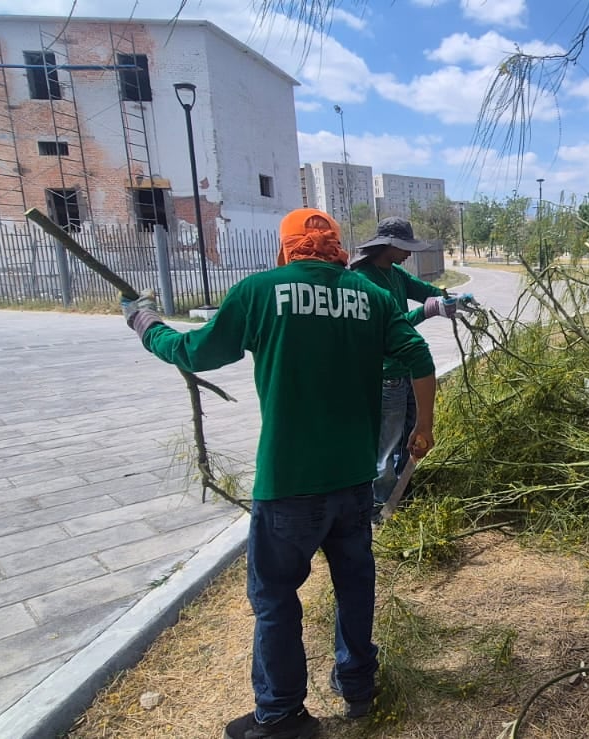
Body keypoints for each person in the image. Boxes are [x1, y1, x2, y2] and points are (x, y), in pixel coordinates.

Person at [122, 208, 436, 739]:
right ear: (337, 247)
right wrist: (423, 427)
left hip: (288, 483)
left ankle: (282, 714)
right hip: (354, 481)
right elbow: (419, 356)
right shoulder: (375, 297)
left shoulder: (261, 291)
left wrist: (146, 324)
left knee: (274, 598)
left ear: (287, 248)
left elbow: (193, 352)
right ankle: (359, 685)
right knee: (355, 586)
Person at [349, 216, 469, 515]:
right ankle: (380, 505)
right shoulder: (363, 281)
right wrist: (429, 312)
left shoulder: (396, 274)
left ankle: (402, 494)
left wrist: (450, 299)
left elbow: (424, 291)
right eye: (404, 247)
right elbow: (389, 329)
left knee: (411, 437)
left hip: (408, 373)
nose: (409, 253)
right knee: (386, 446)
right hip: (385, 374)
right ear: (386, 245)